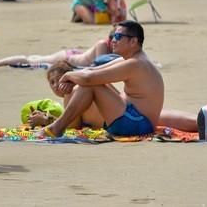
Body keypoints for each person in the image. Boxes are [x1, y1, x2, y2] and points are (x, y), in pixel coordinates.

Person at [37, 21, 165, 138]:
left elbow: (88, 78)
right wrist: (73, 77)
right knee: (92, 82)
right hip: (135, 120)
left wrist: (68, 76)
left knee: (90, 85)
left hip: (137, 125)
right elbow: (92, 71)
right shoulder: (130, 60)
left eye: (118, 37)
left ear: (133, 42)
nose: (113, 40)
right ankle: (59, 125)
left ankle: (57, 127)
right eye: (113, 36)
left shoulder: (136, 64)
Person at [0, 31, 115, 68]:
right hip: (68, 59)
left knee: (37, 58)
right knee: (29, 61)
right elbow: (100, 66)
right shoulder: (103, 44)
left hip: (75, 57)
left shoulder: (108, 45)